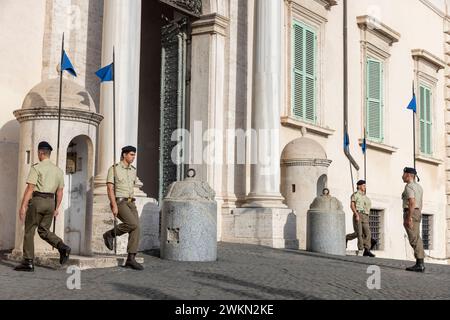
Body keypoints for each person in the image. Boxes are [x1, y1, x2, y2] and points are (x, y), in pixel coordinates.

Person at [14, 141, 71, 272]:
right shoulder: (58, 170)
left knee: (29, 231)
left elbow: (30, 188)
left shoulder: (36, 168)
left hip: (38, 201)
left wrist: (23, 206)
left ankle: (28, 262)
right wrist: (56, 208)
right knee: (44, 230)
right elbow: (60, 191)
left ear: (40, 153)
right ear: (49, 154)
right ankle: (62, 247)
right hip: (51, 202)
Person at [103, 146, 144, 270]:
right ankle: (109, 234)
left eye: (134, 155)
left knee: (136, 228)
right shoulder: (114, 169)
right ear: (124, 155)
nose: (133, 157)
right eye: (131, 154)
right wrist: (114, 205)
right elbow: (110, 188)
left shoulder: (133, 170)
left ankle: (131, 259)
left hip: (131, 202)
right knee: (132, 224)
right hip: (120, 202)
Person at [402, 167, 425, 272]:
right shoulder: (419, 187)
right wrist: (417, 212)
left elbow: (412, 202)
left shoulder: (409, 187)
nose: (402, 176)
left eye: (403, 174)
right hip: (417, 212)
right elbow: (420, 203)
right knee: (416, 237)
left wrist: (409, 217)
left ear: (408, 175)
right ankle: (420, 262)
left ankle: (420, 264)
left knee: (414, 238)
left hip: (411, 212)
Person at [345, 180, 375, 257]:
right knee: (359, 233)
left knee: (368, 233)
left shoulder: (365, 196)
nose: (365, 187)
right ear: (359, 186)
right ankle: (361, 249)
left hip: (365, 215)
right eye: (363, 185)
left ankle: (367, 249)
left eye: (365, 185)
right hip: (358, 213)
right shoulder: (355, 195)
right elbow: (352, 205)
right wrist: (356, 214)